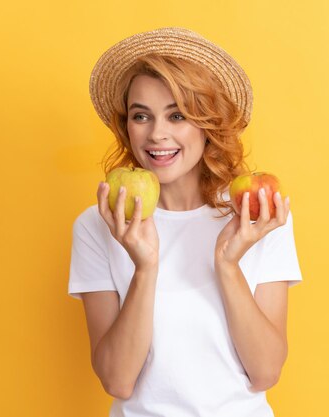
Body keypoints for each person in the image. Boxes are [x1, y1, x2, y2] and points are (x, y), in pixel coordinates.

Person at [68, 27, 303, 417]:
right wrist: (144, 268)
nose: (157, 134)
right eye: (141, 115)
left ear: (207, 122)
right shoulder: (99, 224)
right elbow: (117, 380)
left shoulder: (256, 216)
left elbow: (265, 372)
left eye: (177, 115)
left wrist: (228, 266)